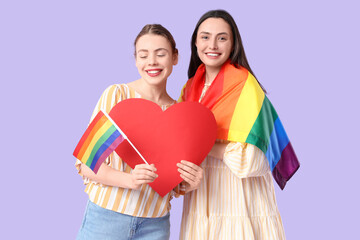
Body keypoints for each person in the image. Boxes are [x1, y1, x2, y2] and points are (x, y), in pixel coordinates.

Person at [75, 24, 203, 240]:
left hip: (156, 225)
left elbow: (171, 185)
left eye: (160, 54)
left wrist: (190, 183)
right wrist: (129, 180)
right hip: (106, 219)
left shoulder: (180, 115)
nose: (151, 62)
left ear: (175, 57)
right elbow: (87, 163)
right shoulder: (117, 95)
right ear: (136, 60)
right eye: (144, 55)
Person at [179, 10, 300, 240]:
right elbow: (178, 147)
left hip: (239, 207)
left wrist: (203, 146)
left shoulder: (246, 87)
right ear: (195, 42)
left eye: (222, 38)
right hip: (200, 208)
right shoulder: (189, 90)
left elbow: (252, 160)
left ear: (233, 44)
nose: (212, 45)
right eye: (205, 37)